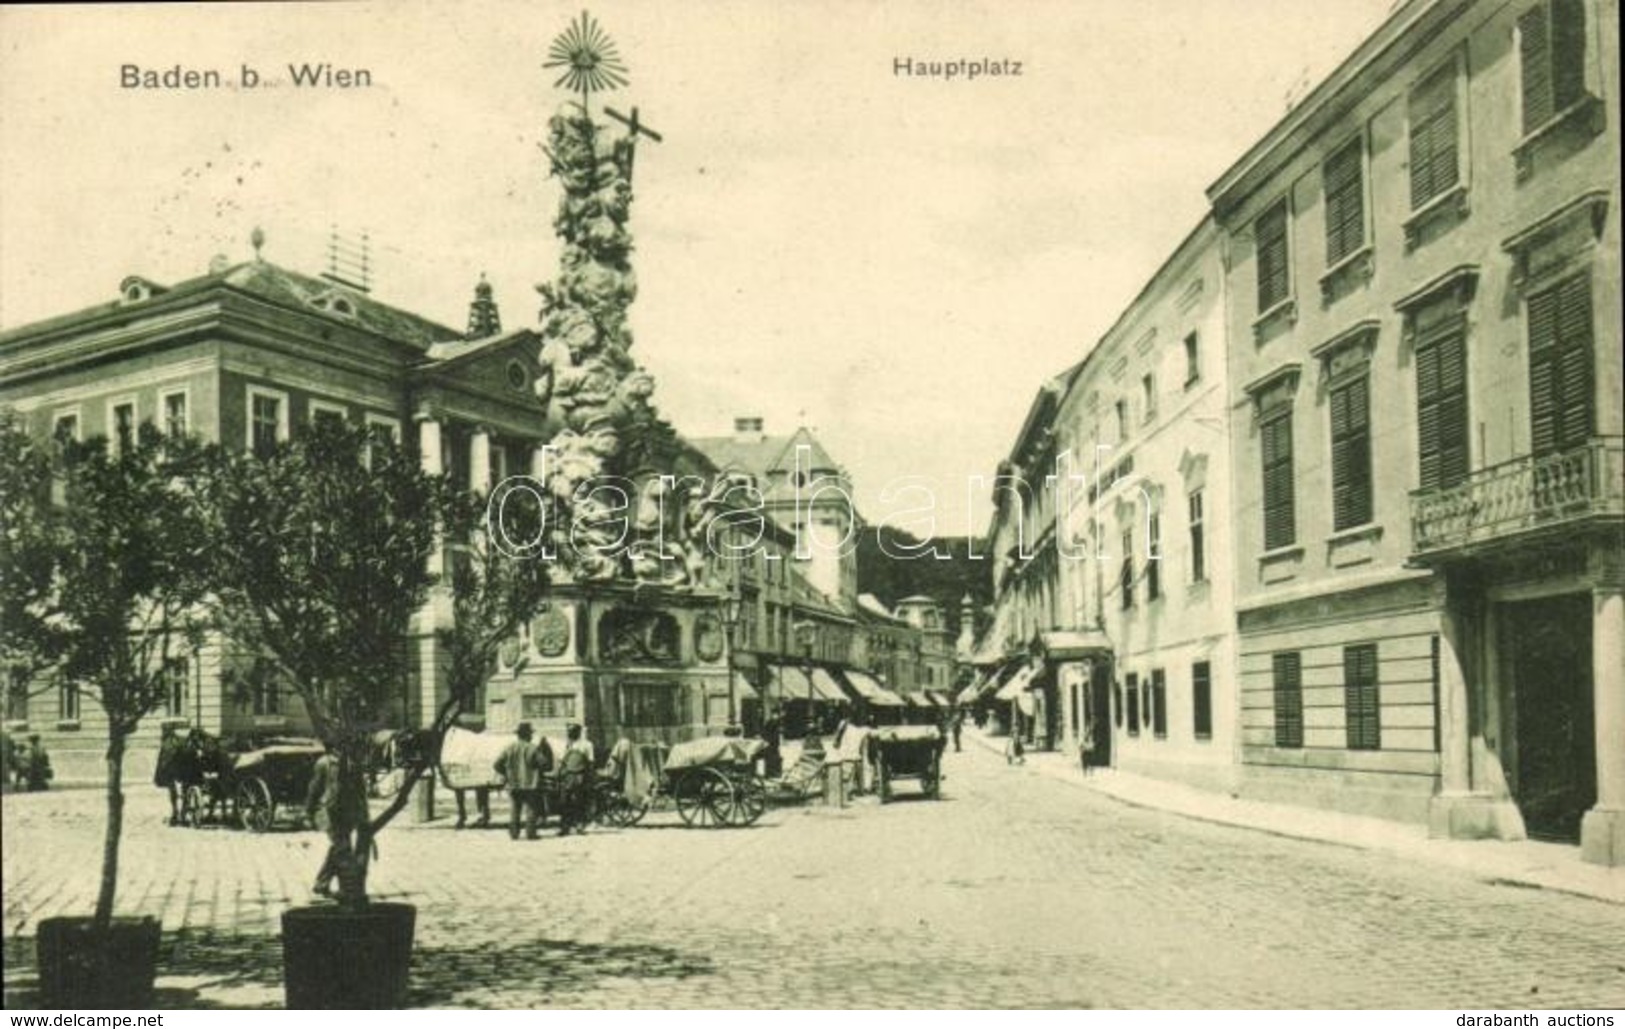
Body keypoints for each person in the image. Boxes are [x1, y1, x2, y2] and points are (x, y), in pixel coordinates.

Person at [305, 746, 369, 899]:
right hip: (330, 812)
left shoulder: (354, 763)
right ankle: (345, 889)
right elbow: (314, 788)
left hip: (348, 813)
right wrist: (309, 811)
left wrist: (364, 812)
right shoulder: (324, 763)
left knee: (338, 849)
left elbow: (361, 790)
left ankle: (322, 884)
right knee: (342, 848)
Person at [494, 722, 549, 841]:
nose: (532, 736)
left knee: (515, 808)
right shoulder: (532, 748)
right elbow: (544, 764)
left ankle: (514, 834)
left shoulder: (509, 748)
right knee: (531, 809)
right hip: (530, 784)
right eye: (530, 734)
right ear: (527, 735)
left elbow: (496, 764)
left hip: (513, 783)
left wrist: (506, 773)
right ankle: (530, 833)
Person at [555, 723, 594, 836]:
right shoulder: (566, 745)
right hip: (567, 777)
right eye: (569, 732)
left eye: (572, 731)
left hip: (580, 776)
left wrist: (589, 777)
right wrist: (559, 774)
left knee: (579, 801)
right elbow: (561, 762)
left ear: (578, 732)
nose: (570, 734)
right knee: (564, 802)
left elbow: (591, 762)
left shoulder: (587, 745)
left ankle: (580, 826)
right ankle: (564, 827)